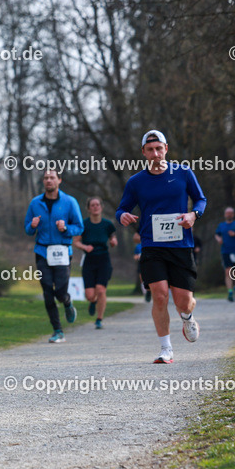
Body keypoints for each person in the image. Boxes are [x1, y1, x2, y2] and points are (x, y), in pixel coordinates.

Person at [116, 129, 207, 364]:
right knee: (159, 296)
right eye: (150, 150)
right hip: (152, 246)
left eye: (159, 149)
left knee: (184, 302)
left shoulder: (183, 173)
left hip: (180, 246)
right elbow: (122, 208)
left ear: (166, 149)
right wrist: (122, 215)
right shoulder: (136, 182)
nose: (155, 154)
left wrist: (193, 215)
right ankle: (166, 349)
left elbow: (200, 199)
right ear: (143, 152)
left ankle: (187, 317)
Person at [24, 169, 84, 343]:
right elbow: (27, 229)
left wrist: (65, 228)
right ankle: (58, 331)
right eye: (46, 178)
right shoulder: (35, 203)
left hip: (62, 252)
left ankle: (67, 301)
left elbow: (79, 227)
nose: (48, 180)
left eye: (52, 178)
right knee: (47, 292)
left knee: (60, 292)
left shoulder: (69, 202)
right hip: (42, 252)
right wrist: (32, 225)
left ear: (59, 180)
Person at [74, 197, 117, 329]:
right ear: (88, 209)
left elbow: (113, 238)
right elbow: (75, 241)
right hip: (89, 260)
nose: (95, 207)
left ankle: (99, 319)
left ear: (101, 207)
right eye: (92, 205)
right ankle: (93, 301)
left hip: (103, 259)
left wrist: (113, 242)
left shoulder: (108, 224)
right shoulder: (84, 224)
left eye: (97, 204)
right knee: (90, 295)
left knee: (101, 290)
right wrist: (85, 247)